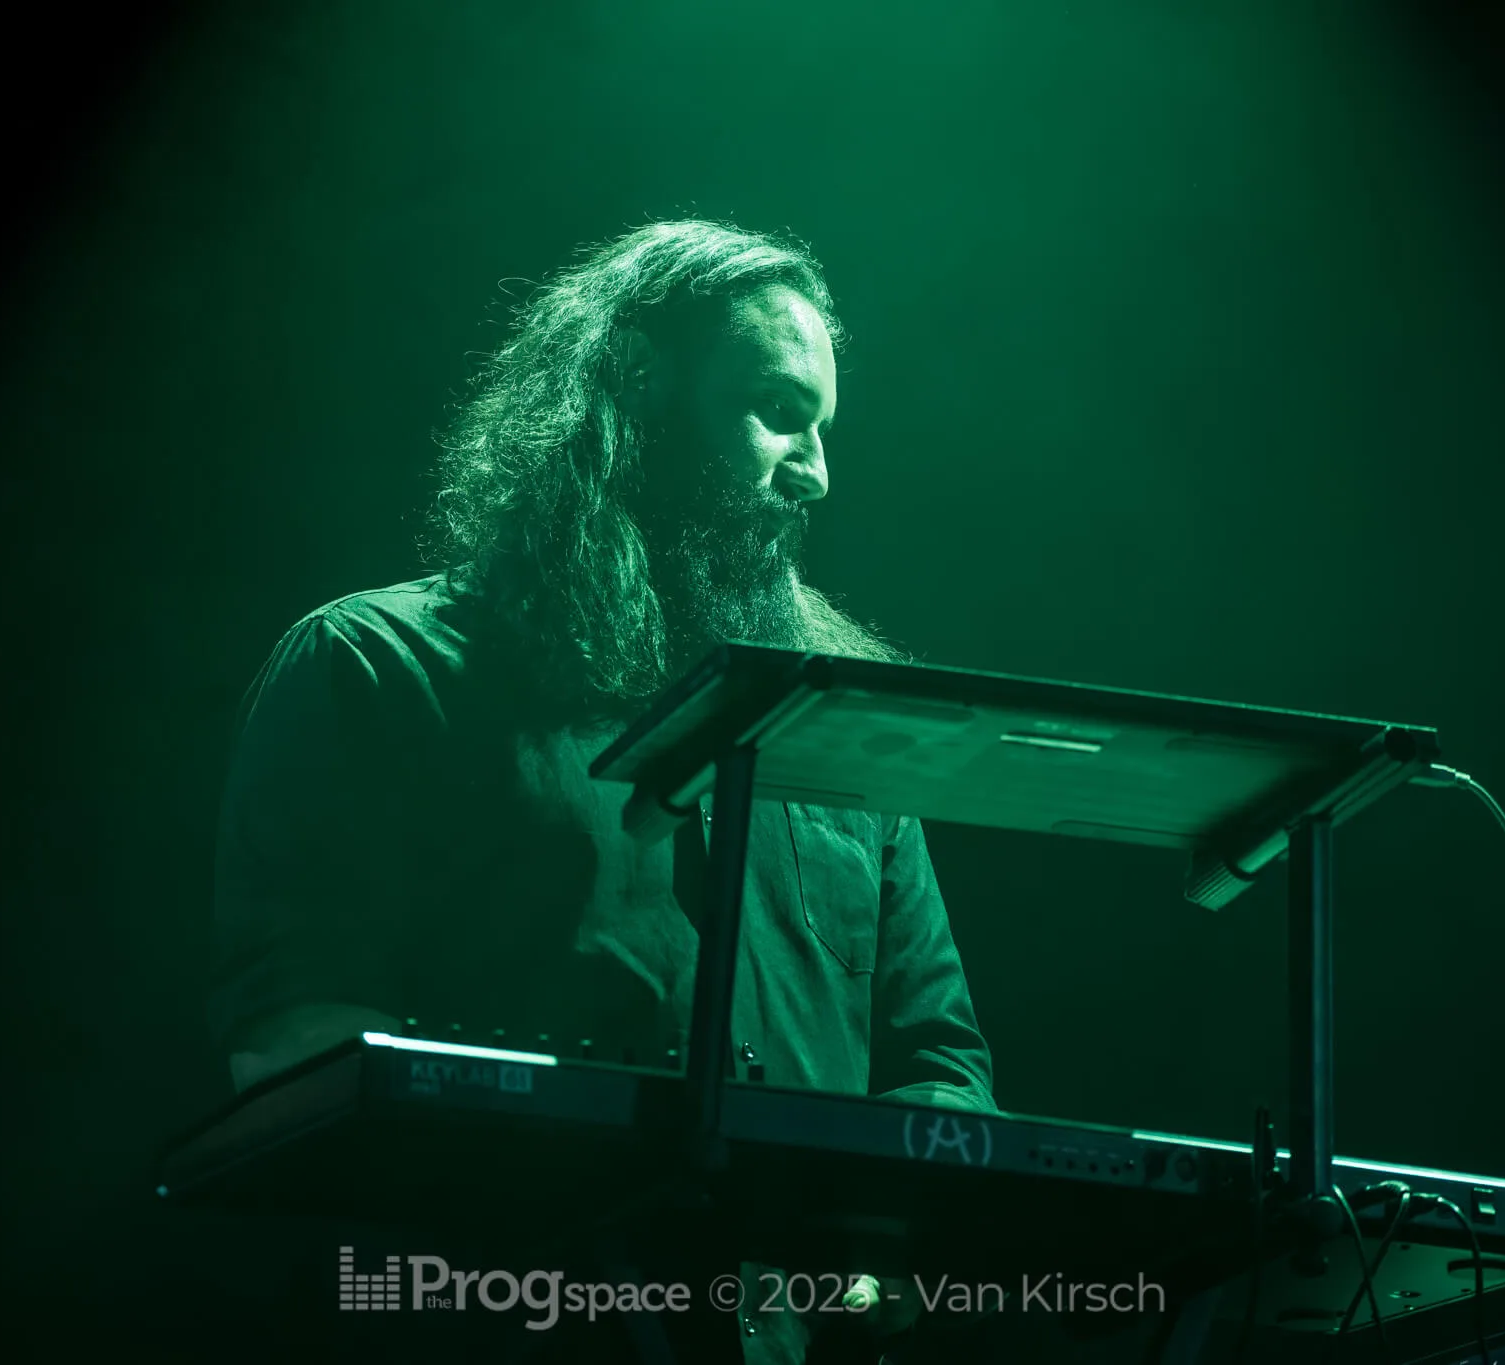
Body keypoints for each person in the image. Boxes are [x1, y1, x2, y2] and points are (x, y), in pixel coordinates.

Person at [209, 220, 996, 1363]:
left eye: (823, 427)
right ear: (633, 391)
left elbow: (936, 1063)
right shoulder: (378, 670)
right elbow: (298, 1053)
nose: (816, 472)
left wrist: (881, 1262)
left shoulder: (836, 733)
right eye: (777, 411)